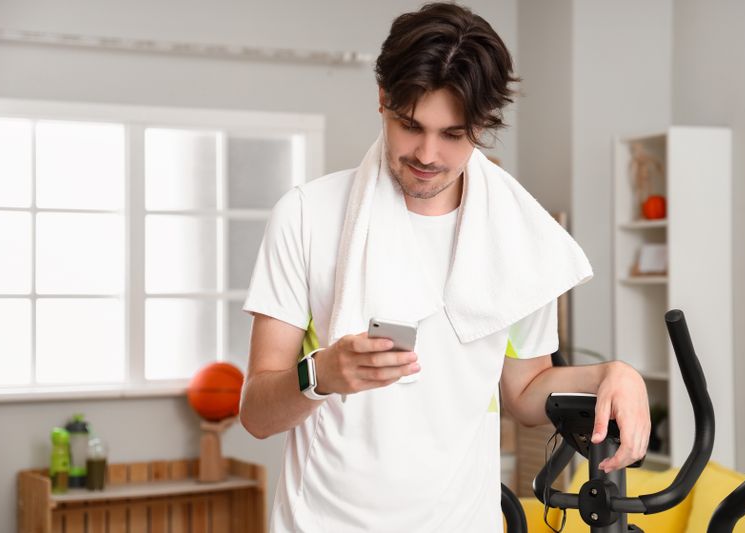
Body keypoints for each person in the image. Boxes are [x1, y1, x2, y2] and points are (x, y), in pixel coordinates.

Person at [240, 3, 650, 532]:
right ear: (383, 99)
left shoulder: (517, 237)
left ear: (482, 125)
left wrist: (610, 374)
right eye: (411, 125)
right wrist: (321, 375)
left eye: (453, 134)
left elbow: (526, 393)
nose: (427, 154)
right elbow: (255, 412)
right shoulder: (306, 217)